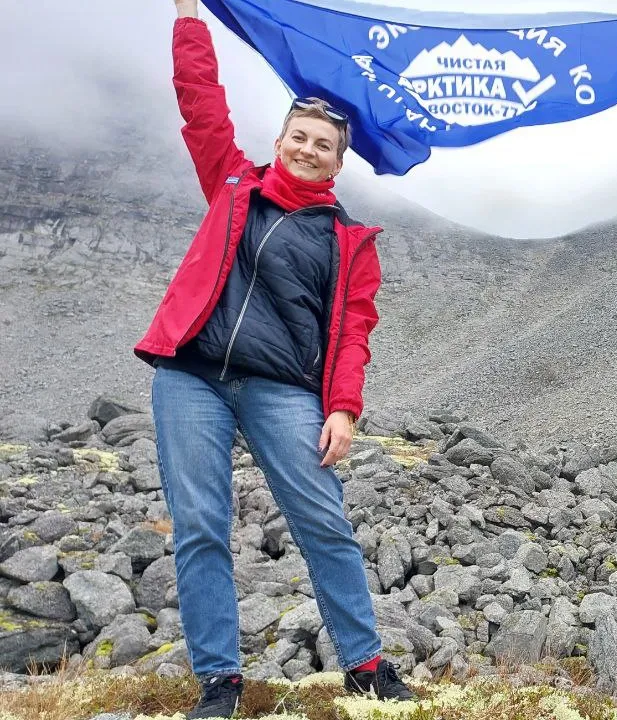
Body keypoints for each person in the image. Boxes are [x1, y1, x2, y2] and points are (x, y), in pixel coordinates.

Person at [133, 1, 416, 716]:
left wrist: (344, 409)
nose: (309, 149)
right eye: (301, 136)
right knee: (200, 524)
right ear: (282, 138)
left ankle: (365, 664)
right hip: (190, 377)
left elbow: (353, 332)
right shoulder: (232, 183)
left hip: (282, 390)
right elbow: (201, 104)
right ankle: (220, 681)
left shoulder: (348, 241)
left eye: (324, 144)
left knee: (323, 521)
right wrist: (188, 18)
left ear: (338, 161)